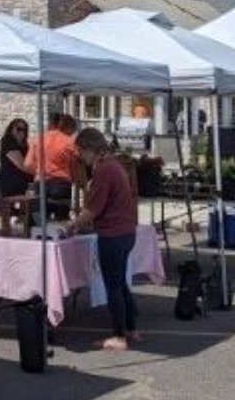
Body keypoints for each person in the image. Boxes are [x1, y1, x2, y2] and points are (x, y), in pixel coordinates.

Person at [65, 127, 139, 351]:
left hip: (113, 235)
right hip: (126, 232)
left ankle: (118, 336)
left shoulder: (103, 170)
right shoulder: (115, 165)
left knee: (113, 287)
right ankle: (131, 329)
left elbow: (92, 210)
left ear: (90, 149)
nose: (80, 157)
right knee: (121, 284)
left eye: (80, 151)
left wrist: (71, 225)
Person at [24, 113, 78, 220]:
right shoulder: (70, 142)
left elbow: (27, 164)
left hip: (39, 184)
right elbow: (74, 167)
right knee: (61, 224)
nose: (73, 134)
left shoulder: (38, 139)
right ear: (69, 128)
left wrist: (40, 171)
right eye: (73, 131)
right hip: (61, 185)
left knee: (39, 223)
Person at [0, 118, 33, 235]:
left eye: (24, 130)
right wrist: (39, 172)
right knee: (5, 220)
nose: (21, 132)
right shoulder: (8, 142)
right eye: (18, 129)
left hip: (21, 184)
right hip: (8, 184)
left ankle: (25, 226)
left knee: (36, 196)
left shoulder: (25, 145)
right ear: (11, 129)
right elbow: (22, 165)